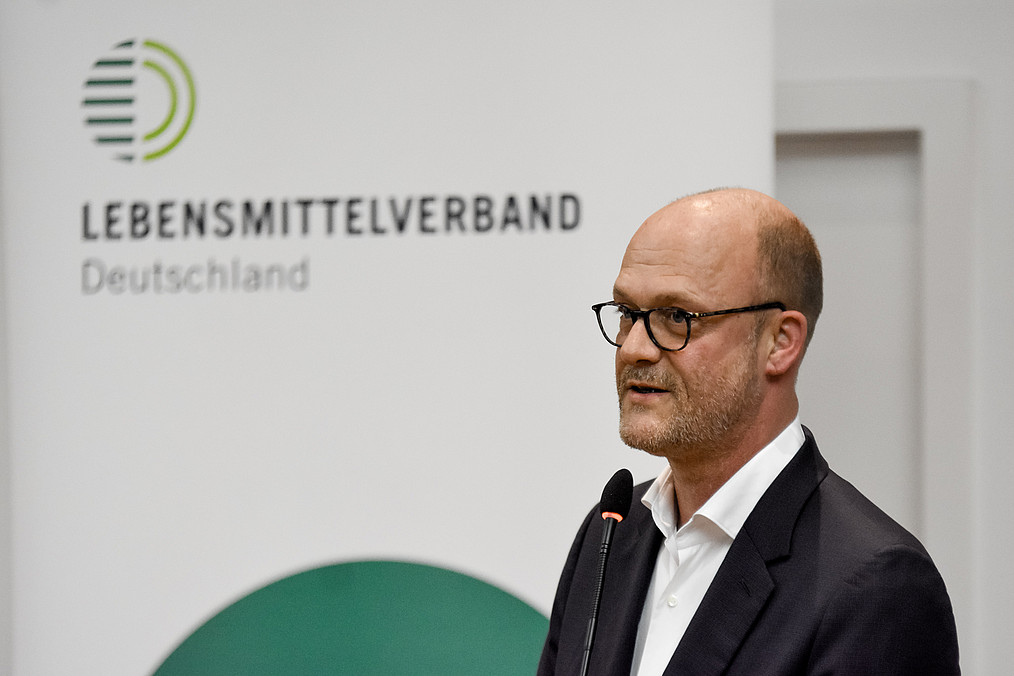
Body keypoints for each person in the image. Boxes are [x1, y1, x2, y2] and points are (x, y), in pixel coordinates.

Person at [537, 188, 959, 675]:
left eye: (677, 317)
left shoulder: (876, 585)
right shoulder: (610, 531)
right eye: (628, 313)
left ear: (780, 343)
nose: (634, 348)